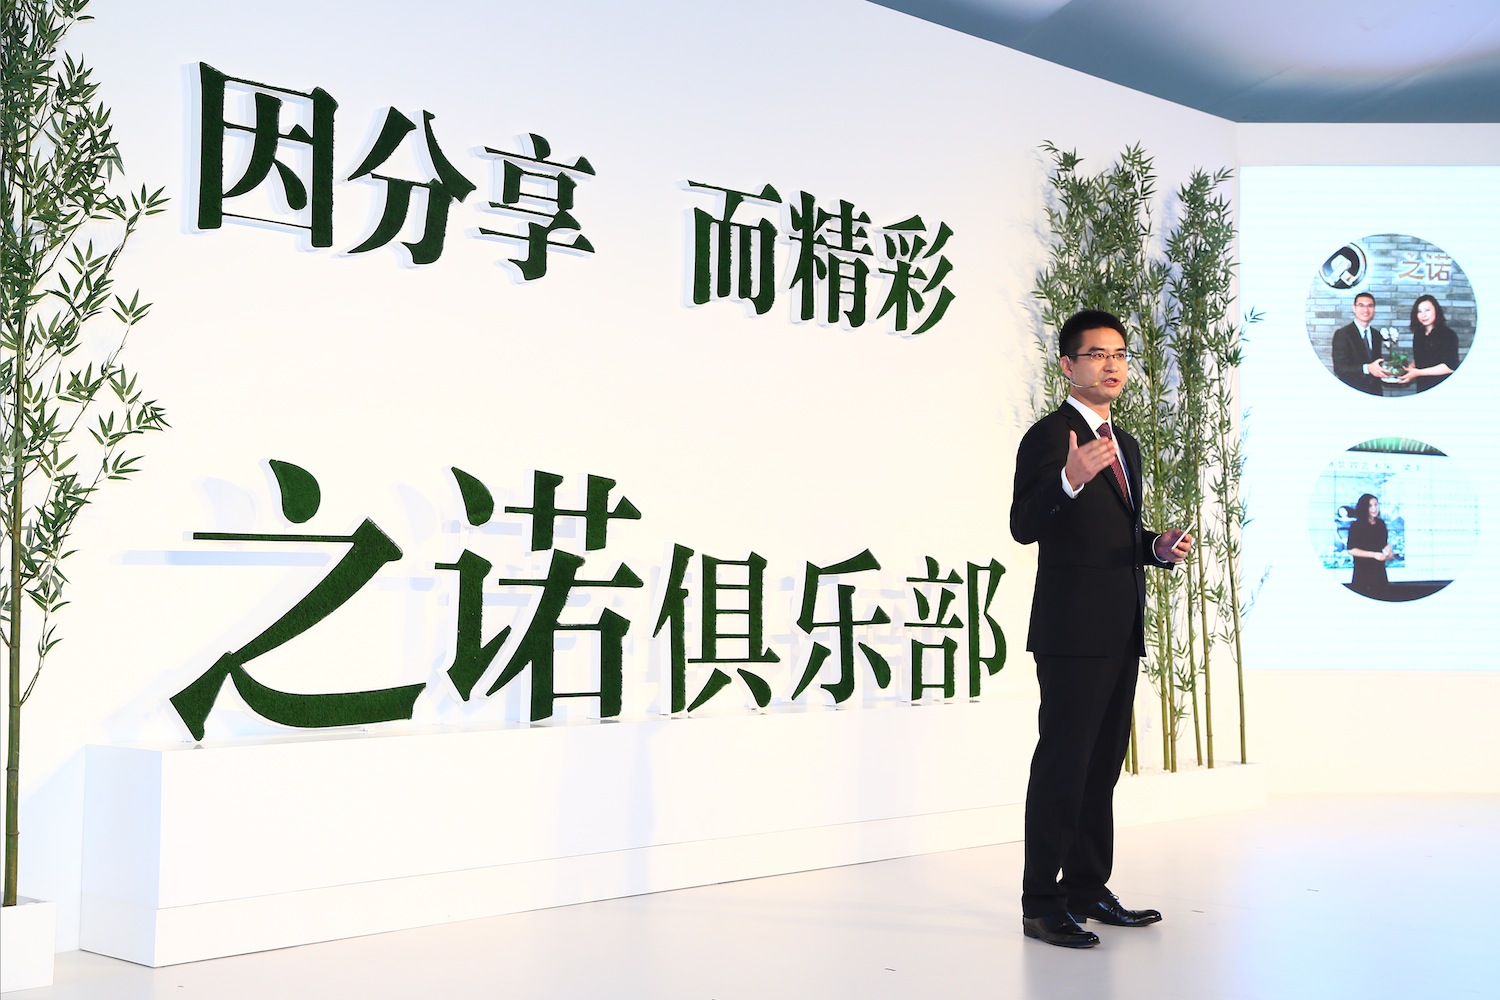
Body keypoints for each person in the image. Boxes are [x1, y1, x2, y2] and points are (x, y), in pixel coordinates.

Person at [1010, 309, 1193, 949]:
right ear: (1067, 365)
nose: (1111, 365)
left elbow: (1112, 534)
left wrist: (1155, 546)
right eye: (1096, 354)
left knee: (1102, 767)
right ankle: (1041, 904)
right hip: (1071, 631)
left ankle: (1087, 887)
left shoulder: (1126, 444)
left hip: (1119, 626)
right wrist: (1070, 478)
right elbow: (1024, 525)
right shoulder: (1049, 437)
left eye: (1119, 354)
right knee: (1063, 765)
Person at [1396, 294, 1459, 392]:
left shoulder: (1448, 334)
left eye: (1427, 310)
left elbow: (1450, 367)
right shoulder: (1418, 334)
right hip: (1422, 387)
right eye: (1419, 311)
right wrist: (1408, 369)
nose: (1423, 315)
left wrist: (1418, 373)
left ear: (1436, 310)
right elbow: (1420, 357)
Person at [1330, 292, 1390, 395]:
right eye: (1361, 305)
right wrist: (1367, 368)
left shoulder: (1376, 334)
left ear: (1374, 309)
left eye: (1370, 306)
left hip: (1375, 392)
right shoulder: (1342, 334)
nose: (1366, 310)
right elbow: (1340, 369)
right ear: (1354, 308)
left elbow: (1375, 364)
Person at [1346, 493, 1393, 599]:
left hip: (1379, 571)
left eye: (1376, 505)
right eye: (1370, 506)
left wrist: (1388, 550)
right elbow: (1351, 549)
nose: (1374, 508)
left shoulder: (1380, 524)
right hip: (1363, 571)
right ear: (1364, 508)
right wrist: (1373, 555)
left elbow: (1384, 543)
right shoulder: (1356, 526)